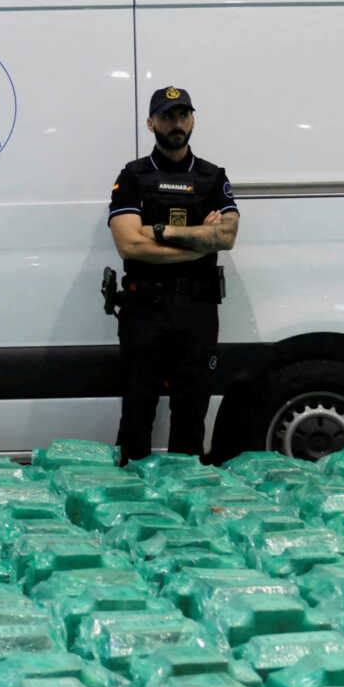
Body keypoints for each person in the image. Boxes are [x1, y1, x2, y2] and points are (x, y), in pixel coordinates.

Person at [106, 86, 239, 461]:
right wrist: (199, 240)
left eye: (182, 115)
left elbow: (226, 236)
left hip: (197, 309)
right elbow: (130, 245)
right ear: (151, 124)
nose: (176, 123)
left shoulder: (213, 177)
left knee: (191, 413)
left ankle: (186, 504)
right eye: (166, 116)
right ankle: (132, 501)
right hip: (143, 308)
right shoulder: (133, 176)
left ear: (193, 119)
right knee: (136, 411)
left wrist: (161, 231)